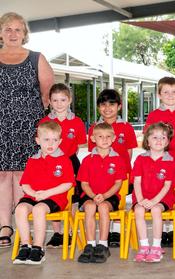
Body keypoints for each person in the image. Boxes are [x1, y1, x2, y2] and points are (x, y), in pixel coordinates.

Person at [0, 12, 54, 247]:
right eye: (8, 29)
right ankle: (4, 225)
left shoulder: (36, 58)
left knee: (25, 175)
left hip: (29, 127)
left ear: (25, 34)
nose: (13, 34)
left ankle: (25, 227)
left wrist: (28, 115)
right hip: (0, 126)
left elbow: (47, 94)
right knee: (1, 176)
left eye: (17, 29)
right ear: (1, 32)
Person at [13, 121, 73, 265]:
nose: (50, 143)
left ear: (60, 141)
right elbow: (25, 184)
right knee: (20, 209)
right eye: (46, 140)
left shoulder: (64, 160)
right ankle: (26, 244)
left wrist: (46, 194)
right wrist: (34, 193)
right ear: (38, 141)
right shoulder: (33, 160)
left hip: (55, 198)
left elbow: (68, 183)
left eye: (55, 140)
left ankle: (38, 248)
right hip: (33, 195)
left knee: (39, 209)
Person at [38, 83, 87, 248]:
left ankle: (70, 231)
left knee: (72, 198)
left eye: (63, 99)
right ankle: (58, 233)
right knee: (54, 197)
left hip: (71, 162)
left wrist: (67, 161)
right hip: (50, 163)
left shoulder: (77, 122)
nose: (59, 104)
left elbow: (79, 144)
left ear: (69, 100)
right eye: (55, 100)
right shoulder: (45, 122)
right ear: (50, 102)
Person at [145, 77, 175, 247]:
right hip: (157, 165)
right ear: (159, 94)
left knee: (173, 198)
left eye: (174, 92)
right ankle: (163, 231)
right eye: (166, 92)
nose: (170, 95)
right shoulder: (154, 115)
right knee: (160, 195)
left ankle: (171, 230)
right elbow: (149, 138)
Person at [87, 89, 137, 247]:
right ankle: (106, 233)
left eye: (112, 104)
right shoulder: (94, 128)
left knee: (118, 202)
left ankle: (116, 231)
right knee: (102, 202)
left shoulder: (126, 127)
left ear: (119, 106)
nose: (107, 108)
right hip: (100, 177)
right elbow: (93, 154)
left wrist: (122, 171)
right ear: (98, 107)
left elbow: (129, 152)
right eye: (103, 104)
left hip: (120, 175)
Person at [76, 123, 126, 263]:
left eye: (108, 136)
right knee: (91, 207)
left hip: (110, 196)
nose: (104, 139)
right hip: (89, 195)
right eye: (100, 136)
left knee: (103, 207)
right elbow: (84, 183)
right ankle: (90, 244)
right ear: (92, 139)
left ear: (114, 138)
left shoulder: (118, 159)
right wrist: (93, 196)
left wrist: (104, 196)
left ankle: (103, 245)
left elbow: (118, 183)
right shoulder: (87, 160)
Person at [132, 122, 175, 263]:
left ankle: (157, 247)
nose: (159, 141)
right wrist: (140, 200)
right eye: (155, 137)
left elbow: (167, 186)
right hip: (143, 196)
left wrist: (154, 202)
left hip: (163, 198)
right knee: (139, 211)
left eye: (163, 137)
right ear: (147, 140)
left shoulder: (170, 161)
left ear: (168, 141)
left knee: (156, 211)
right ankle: (144, 246)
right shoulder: (140, 159)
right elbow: (137, 182)